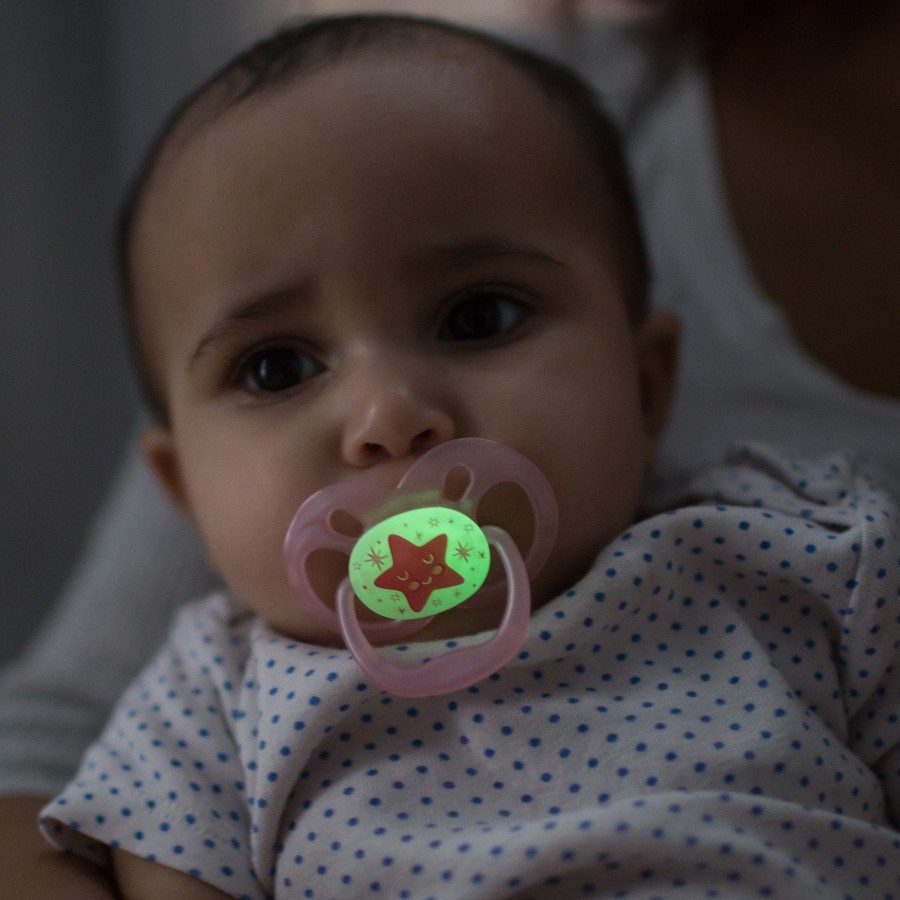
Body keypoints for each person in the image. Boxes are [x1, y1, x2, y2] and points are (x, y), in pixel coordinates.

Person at [2, 0, 899, 895]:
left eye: (478, 317)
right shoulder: (204, 705)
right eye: (276, 368)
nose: (389, 415)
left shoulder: (800, 558)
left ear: (648, 383)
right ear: (184, 492)